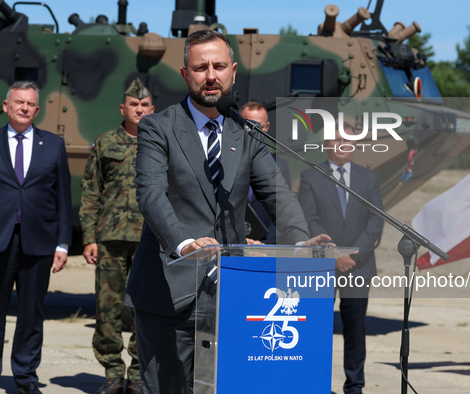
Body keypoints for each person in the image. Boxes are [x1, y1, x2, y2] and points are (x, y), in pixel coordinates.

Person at [124, 29, 331, 394]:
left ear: (233, 71)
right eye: (200, 67)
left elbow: (277, 194)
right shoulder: (158, 127)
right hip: (167, 293)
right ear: (185, 74)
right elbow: (151, 195)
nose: (211, 75)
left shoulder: (247, 133)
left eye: (219, 65)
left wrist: (300, 243)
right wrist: (185, 243)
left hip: (230, 294)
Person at [0, 81, 72, 394]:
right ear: (6, 106)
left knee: (31, 314)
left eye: (30, 104)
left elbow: (63, 198)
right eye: (18, 102)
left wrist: (63, 243)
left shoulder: (53, 145)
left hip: (38, 241)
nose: (24, 108)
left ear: (38, 109)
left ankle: (25, 377)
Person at [80, 78, 154, 394]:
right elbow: (90, 191)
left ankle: (138, 373)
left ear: (152, 109)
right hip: (110, 237)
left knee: (145, 307)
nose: (139, 109)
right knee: (107, 307)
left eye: (144, 105)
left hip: (149, 238)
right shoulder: (105, 142)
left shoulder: (161, 143)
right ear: (123, 108)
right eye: (133, 105)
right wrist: (88, 237)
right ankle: (112, 370)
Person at [297, 122, 384, 394]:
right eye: (336, 140)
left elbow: (375, 222)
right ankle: (315, 384)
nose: (343, 144)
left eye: (348, 140)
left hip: (359, 266)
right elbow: (308, 219)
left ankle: (354, 386)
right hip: (322, 265)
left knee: (355, 330)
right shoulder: (311, 177)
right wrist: (332, 256)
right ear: (326, 144)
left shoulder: (369, 179)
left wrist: (352, 255)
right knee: (318, 328)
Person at [240, 102, 292, 244]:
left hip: (264, 249)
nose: (254, 132)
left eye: (260, 127)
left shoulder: (280, 166)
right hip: (230, 247)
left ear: (267, 127)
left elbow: (283, 212)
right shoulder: (223, 161)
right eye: (249, 125)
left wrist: (265, 245)